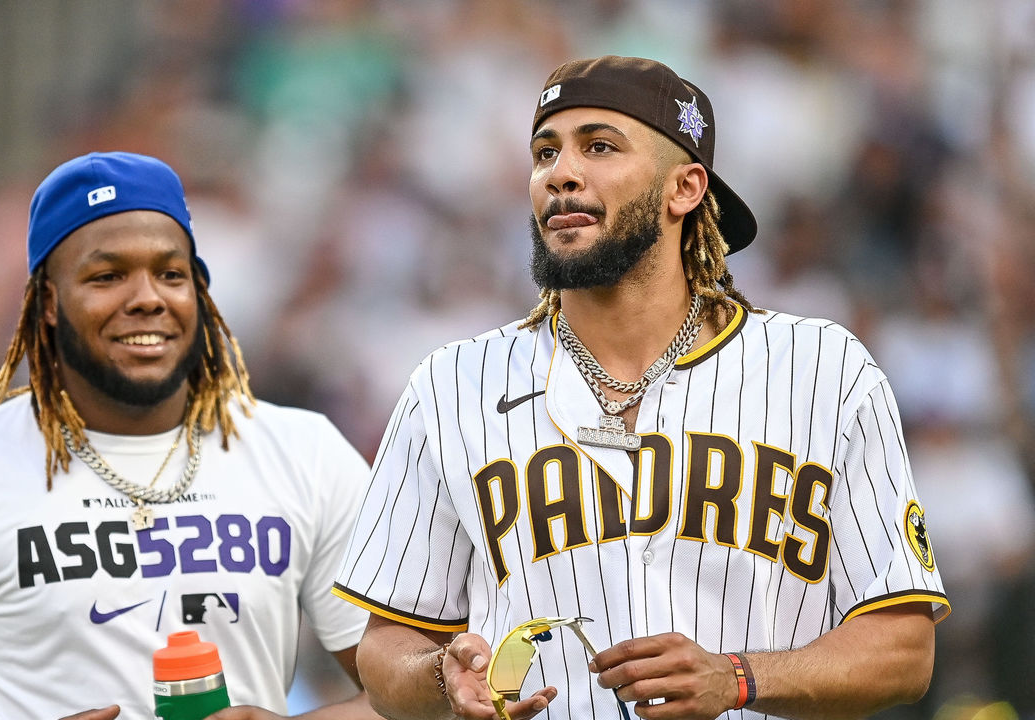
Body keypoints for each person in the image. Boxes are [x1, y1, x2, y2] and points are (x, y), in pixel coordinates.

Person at [332, 56, 949, 720]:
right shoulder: (451, 386)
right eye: (545, 153)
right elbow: (387, 646)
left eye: (599, 147)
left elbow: (902, 650)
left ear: (684, 188)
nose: (560, 174)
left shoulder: (825, 371)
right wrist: (437, 678)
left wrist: (738, 677)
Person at [0, 151, 380, 720]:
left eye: (171, 273)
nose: (148, 297)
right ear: (47, 302)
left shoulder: (306, 455)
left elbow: (407, 696)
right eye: (107, 276)